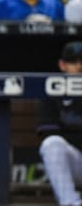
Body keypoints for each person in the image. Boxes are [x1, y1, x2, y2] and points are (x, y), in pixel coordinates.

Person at [37, 41, 82, 206]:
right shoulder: (53, 91)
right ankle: (71, 203)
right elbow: (49, 133)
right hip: (75, 162)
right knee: (51, 144)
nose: (79, 66)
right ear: (62, 65)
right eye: (73, 62)